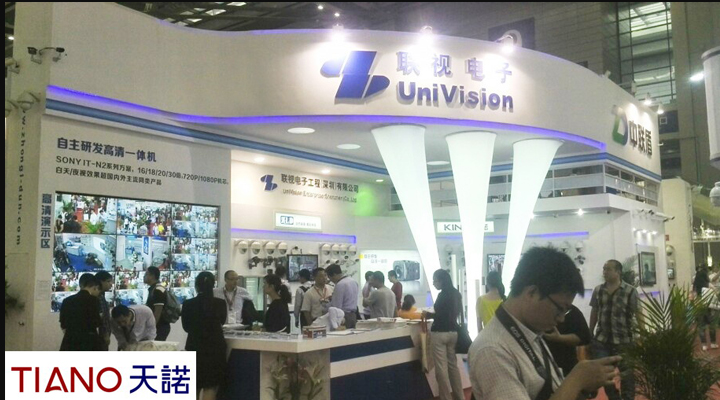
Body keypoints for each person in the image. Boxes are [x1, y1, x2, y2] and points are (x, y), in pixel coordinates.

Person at [469, 248, 622, 400]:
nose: (561, 319)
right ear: (532, 293)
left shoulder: (531, 330)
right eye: (560, 309)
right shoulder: (492, 349)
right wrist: (576, 380)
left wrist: (581, 387)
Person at [589, 259, 643, 400]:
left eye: (608, 269)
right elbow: (595, 311)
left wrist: (643, 334)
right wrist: (590, 330)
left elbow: (638, 313)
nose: (604, 272)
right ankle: (614, 398)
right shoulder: (598, 290)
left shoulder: (630, 291)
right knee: (604, 375)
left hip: (624, 340)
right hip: (602, 340)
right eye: (604, 269)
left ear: (618, 272)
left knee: (627, 376)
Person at [182, 271, 227, 400]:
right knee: (211, 385)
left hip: (194, 347)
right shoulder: (220, 303)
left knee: (193, 385)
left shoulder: (188, 304)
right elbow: (222, 322)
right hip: (215, 348)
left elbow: (186, 327)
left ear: (196, 286)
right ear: (213, 285)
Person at [423, 269, 464, 400]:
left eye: (435, 280)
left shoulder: (442, 295)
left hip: (440, 333)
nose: (434, 283)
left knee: (441, 369)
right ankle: (460, 396)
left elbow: (440, 315)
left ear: (441, 281)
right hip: (454, 333)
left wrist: (428, 315)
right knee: (453, 367)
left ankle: (446, 397)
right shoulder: (456, 294)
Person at [544, 303, 592, 376]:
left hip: (565, 363)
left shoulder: (572, 311)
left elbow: (584, 338)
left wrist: (559, 338)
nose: (561, 319)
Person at [59, 274, 103, 351]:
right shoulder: (94, 300)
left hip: (69, 340)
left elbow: (63, 324)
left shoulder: (67, 301)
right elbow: (97, 322)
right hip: (89, 340)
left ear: (80, 285)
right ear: (95, 286)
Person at [327, 264, 360, 329]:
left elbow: (336, 307)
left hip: (343, 316)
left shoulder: (340, 285)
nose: (331, 281)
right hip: (354, 315)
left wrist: (326, 304)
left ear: (334, 275)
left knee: (342, 335)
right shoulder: (353, 281)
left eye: (330, 278)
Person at [694, 266, 718, 350]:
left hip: (699, 307)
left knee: (701, 326)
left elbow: (691, 296)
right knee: (711, 325)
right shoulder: (708, 285)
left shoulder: (694, 286)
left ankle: (704, 345)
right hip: (709, 307)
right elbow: (715, 292)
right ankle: (713, 343)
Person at [144, 266, 171, 341]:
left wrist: (152, 328)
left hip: (160, 327)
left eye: (146, 274)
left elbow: (158, 312)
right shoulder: (155, 288)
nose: (144, 277)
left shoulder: (158, 290)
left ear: (152, 276)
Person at [95, 271, 114, 350]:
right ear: (100, 282)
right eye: (108, 281)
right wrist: (105, 334)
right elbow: (101, 318)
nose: (111, 284)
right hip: (100, 336)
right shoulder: (97, 297)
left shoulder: (102, 295)